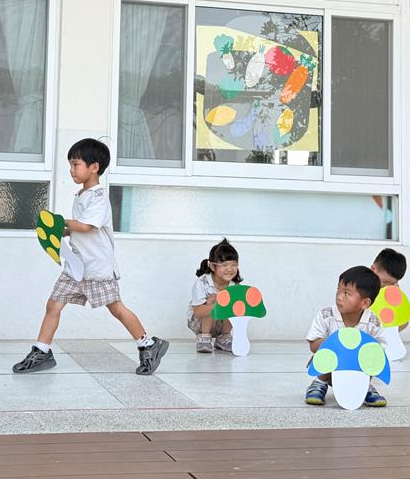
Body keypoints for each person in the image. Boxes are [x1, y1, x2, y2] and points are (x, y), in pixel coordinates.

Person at [13, 138, 169, 376]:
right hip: (76, 265)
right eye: (70, 164)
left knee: (116, 309)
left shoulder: (98, 197)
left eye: (76, 164)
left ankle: (148, 344)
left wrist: (58, 222)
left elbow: (86, 226)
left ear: (94, 167)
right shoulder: (81, 195)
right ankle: (42, 351)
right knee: (53, 305)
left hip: (97, 267)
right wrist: (61, 232)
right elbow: (79, 229)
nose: (71, 169)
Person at [305, 265, 387, 407]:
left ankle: (365, 386)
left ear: (365, 303)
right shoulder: (326, 315)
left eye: (347, 293)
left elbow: (380, 350)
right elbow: (313, 344)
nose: (339, 296)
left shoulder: (372, 322)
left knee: (372, 357)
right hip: (328, 368)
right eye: (338, 289)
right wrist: (334, 345)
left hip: (357, 368)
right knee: (326, 355)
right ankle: (319, 383)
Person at [188, 238, 242, 353]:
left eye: (234, 265)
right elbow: (197, 311)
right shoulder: (202, 283)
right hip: (199, 322)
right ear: (213, 266)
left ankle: (223, 337)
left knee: (235, 301)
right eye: (224, 265)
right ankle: (204, 337)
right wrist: (219, 302)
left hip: (220, 323)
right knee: (213, 299)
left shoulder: (235, 286)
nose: (229, 269)